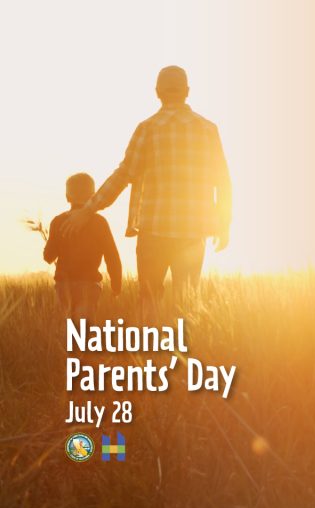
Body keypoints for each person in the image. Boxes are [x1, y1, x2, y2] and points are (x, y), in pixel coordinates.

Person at [64, 65, 232, 319]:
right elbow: (223, 180)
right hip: (193, 233)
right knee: (186, 302)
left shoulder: (148, 129)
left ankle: (149, 354)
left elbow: (123, 175)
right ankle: (183, 355)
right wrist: (223, 224)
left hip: (154, 232)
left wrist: (88, 209)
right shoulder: (208, 129)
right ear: (187, 91)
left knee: (149, 300)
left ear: (157, 92)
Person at [44, 173, 122, 320]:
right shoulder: (99, 222)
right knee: (84, 327)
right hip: (89, 285)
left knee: (66, 326)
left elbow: (49, 256)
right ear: (93, 195)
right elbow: (112, 256)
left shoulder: (58, 221)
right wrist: (116, 287)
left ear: (67, 197)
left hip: (63, 285)